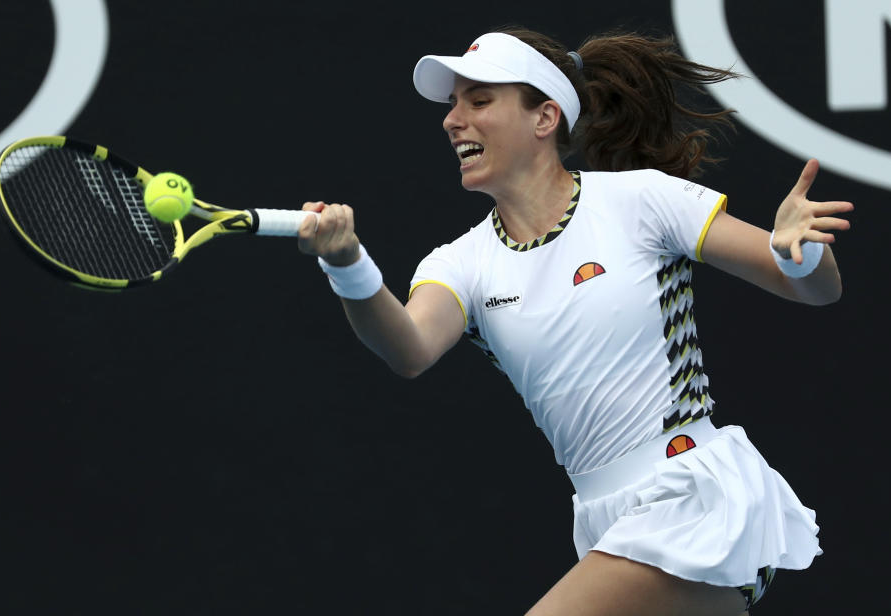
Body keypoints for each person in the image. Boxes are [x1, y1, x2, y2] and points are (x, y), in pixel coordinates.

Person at [295, 27, 852, 616]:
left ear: (544, 117)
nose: (453, 119)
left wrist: (803, 250)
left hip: (694, 499)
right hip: (603, 521)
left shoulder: (641, 200)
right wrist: (347, 262)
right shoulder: (458, 264)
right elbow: (408, 349)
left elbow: (811, 289)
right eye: (453, 104)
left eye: (478, 101)